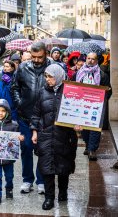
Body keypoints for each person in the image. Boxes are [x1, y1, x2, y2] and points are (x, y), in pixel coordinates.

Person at [31, 64, 78, 210]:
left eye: (50, 76)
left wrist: (78, 124)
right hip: (46, 135)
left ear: (58, 77)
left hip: (65, 136)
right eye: (46, 76)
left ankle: (63, 192)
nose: (47, 79)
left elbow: (78, 112)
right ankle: (49, 198)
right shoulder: (42, 92)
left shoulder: (70, 92)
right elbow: (36, 113)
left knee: (64, 167)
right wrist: (34, 131)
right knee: (47, 168)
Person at [11, 41, 52, 194]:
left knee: (43, 149)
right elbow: (15, 87)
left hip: (45, 117)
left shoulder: (52, 67)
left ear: (45, 54)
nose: (36, 60)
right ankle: (27, 179)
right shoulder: (22, 67)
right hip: (25, 115)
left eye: (39, 57)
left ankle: (41, 180)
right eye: (33, 57)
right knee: (26, 147)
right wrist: (19, 102)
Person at [73, 52, 112, 161]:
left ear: (96, 61)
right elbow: (72, 86)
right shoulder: (79, 74)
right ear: (86, 60)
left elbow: (108, 90)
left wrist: (101, 102)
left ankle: (92, 150)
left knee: (94, 128)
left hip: (96, 107)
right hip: (82, 106)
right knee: (84, 128)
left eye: (93, 59)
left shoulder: (102, 75)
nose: (90, 60)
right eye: (88, 58)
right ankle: (87, 144)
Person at [0, 99, 24, 205]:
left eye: (3, 111)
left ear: (7, 112)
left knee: (9, 176)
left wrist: (20, 138)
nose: (0, 113)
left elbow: (17, 140)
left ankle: (9, 189)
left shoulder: (14, 125)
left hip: (8, 159)